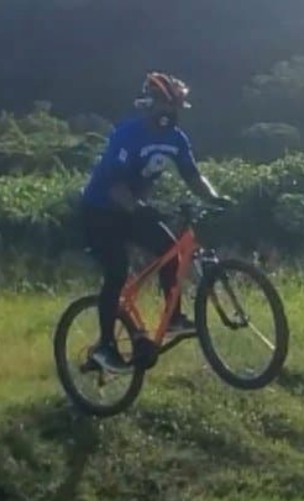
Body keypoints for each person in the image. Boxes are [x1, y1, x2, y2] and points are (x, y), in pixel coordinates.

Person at [80, 71, 229, 373]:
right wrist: (138, 208)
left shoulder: (176, 139)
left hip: (132, 208)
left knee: (171, 251)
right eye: (166, 106)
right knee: (116, 272)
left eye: (175, 108)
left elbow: (193, 176)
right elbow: (114, 184)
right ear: (150, 105)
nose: (170, 114)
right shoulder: (127, 134)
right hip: (100, 211)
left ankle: (173, 318)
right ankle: (105, 346)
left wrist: (215, 197)